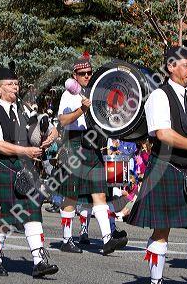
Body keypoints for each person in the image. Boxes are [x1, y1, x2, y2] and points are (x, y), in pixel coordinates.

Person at [127, 46, 187, 284]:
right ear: (171, 67)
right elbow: (163, 134)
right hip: (165, 169)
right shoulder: (160, 96)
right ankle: (155, 280)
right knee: (161, 231)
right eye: (186, 66)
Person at [0, 67, 58, 278]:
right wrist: (25, 150)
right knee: (2, 219)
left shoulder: (26, 112)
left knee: (32, 212)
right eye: (10, 84)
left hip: (25, 171)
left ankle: (39, 261)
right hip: (3, 168)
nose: (15, 87)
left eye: (16, 83)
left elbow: (45, 129)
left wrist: (51, 134)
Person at [56, 55, 128, 255]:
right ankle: (66, 239)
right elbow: (62, 121)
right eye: (82, 74)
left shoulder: (95, 93)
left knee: (100, 193)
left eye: (89, 73)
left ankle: (107, 240)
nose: (87, 76)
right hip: (74, 143)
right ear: (74, 75)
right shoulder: (68, 95)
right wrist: (82, 109)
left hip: (93, 145)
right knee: (70, 195)